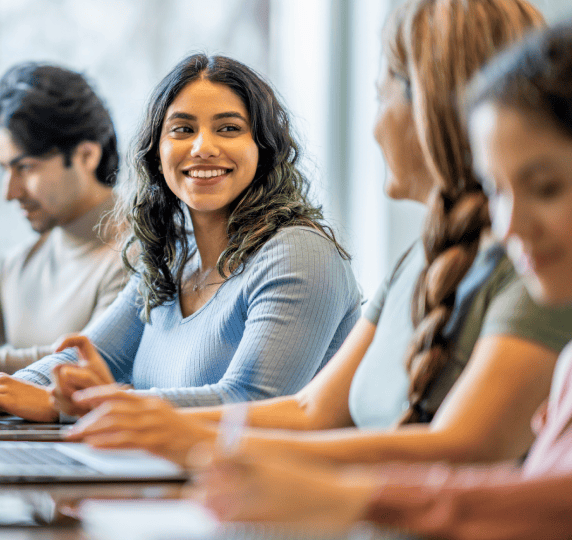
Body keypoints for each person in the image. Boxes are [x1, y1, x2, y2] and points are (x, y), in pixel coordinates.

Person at [63, 0, 572, 467]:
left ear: (432, 110)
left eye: (380, 97)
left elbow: (463, 449)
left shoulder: (535, 260)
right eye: (181, 129)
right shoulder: (423, 255)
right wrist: (150, 423)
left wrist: (181, 435)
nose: (373, 128)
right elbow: (310, 409)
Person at [195, 20, 572, 540]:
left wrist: (349, 496)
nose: (509, 226)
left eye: (548, 188)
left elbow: (507, 478)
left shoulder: (303, 252)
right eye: (497, 190)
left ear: (431, 113)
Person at [0, 54, 362, 422]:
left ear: (264, 149)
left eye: (229, 128)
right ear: (157, 152)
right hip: (166, 486)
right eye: (182, 129)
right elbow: (91, 356)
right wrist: (0, 390)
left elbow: (251, 399)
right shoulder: (170, 258)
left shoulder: (299, 253)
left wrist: (87, 404)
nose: (203, 147)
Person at [0, 62, 127, 374]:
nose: (9, 192)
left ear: (87, 156)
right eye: (4, 170)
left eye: (25, 167)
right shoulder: (19, 265)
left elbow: (84, 363)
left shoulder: (137, 258)